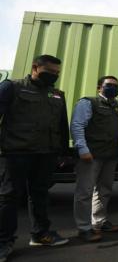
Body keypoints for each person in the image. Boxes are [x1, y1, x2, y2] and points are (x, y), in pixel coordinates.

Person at [0, 55, 70, 260]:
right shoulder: (12, 87)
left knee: (39, 194)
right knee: (9, 196)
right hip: (16, 152)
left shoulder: (57, 94)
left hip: (46, 153)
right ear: (35, 67)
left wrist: (63, 151)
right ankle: (3, 242)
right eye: (50, 71)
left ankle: (40, 234)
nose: (54, 75)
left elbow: (61, 126)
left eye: (57, 73)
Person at [71, 76, 118, 242]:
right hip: (91, 155)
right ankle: (83, 228)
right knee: (85, 192)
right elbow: (77, 125)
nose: (113, 88)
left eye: (116, 86)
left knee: (104, 190)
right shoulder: (88, 102)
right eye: (109, 85)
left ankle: (100, 221)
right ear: (99, 87)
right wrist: (82, 148)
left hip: (111, 155)